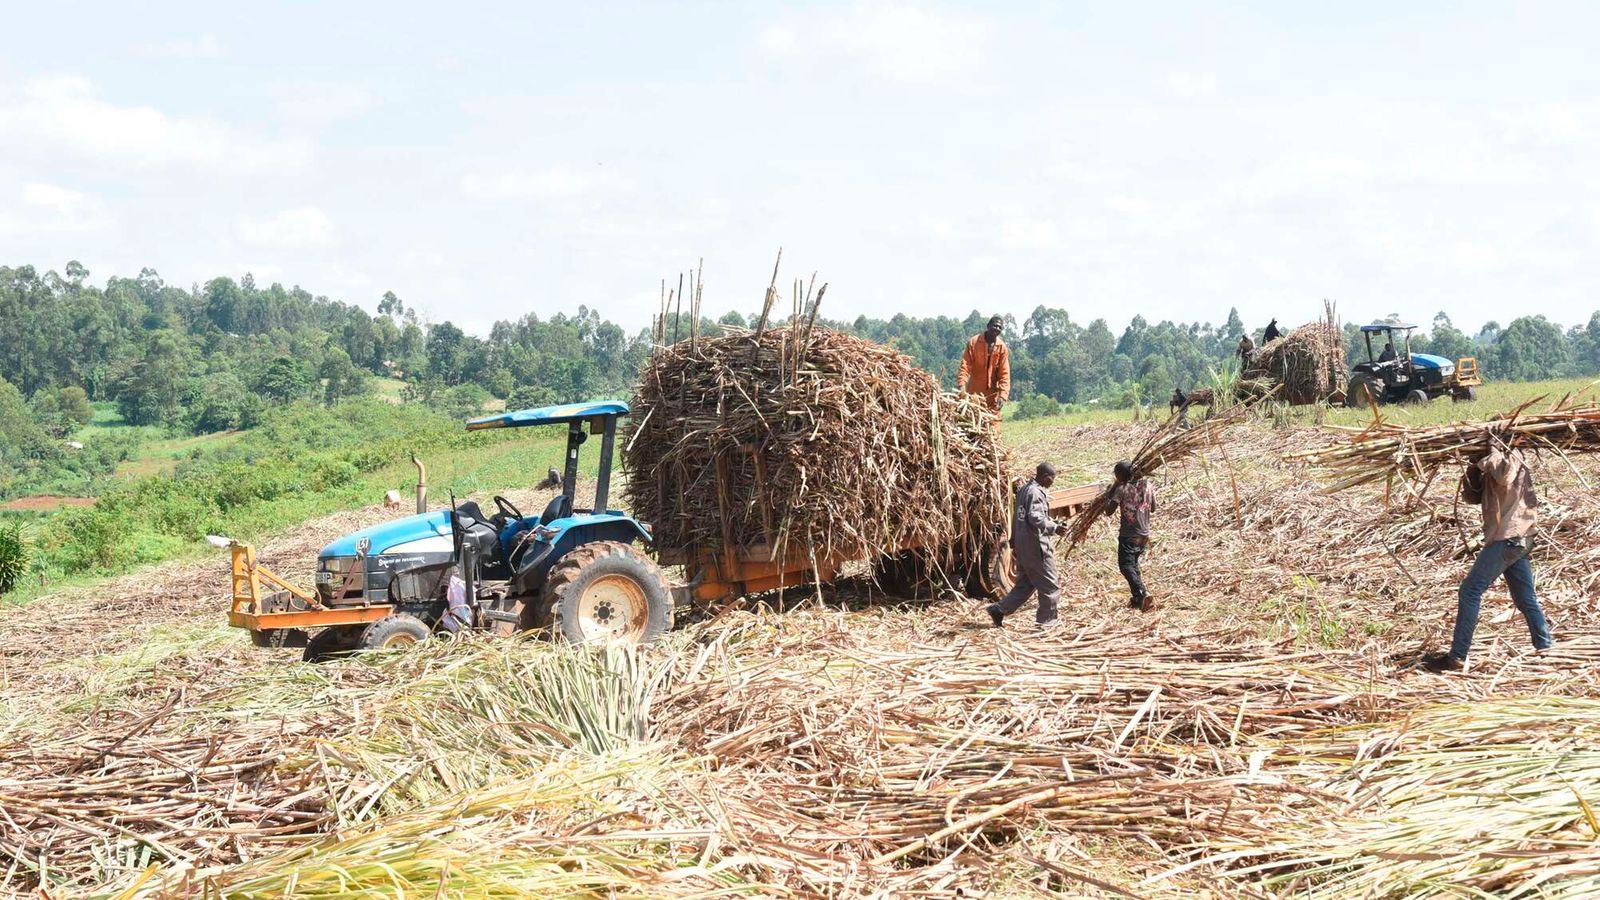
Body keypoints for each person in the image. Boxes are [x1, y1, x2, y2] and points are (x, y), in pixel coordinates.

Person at [1423, 442, 1553, 673]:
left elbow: (1505, 476)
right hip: (1513, 539)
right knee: (1525, 598)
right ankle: (1545, 648)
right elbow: (1473, 497)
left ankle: (1457, 656)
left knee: (1470, 590)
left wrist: (1492, 449)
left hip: (1511, 537)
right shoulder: (1491, 463)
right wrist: (1473, 469)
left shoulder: (1513, 455)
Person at [987, 462, 1063, 629]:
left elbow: (1017, 517)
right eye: (1052, 479)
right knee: (1050, 585)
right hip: (1036, 547)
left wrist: (1014, 539)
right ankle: (1046, 624)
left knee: (1026, 584)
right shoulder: (1036, 492)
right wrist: (1054, 527)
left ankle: (999, 610)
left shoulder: (1024, 490)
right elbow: (1036, 518)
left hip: (1023, 546)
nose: (1052, 482)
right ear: (1045, 477)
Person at [1104, 460, 1156, 611]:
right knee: (1133, 564)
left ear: (1120, 475)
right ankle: (1138, 600)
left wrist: (1107, 496)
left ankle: (1142, 593)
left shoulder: (1122, 489)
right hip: (1144, 534)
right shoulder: (1147, 485)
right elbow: (1152, 508)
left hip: (1129, 534)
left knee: (1125, 565)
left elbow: (1108, 511)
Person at [958, 315, 1012, 415]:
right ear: (988, 325)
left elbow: (1004, 373)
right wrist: (962, 384)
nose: (997, 328)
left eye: (1000, 327)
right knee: (971, 424)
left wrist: (1003, 395)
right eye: (995, 325)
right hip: (974, 395)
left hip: (992, 397)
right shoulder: (974, 342)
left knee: (993, 426)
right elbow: (965, 365)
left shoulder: (1002, 348)